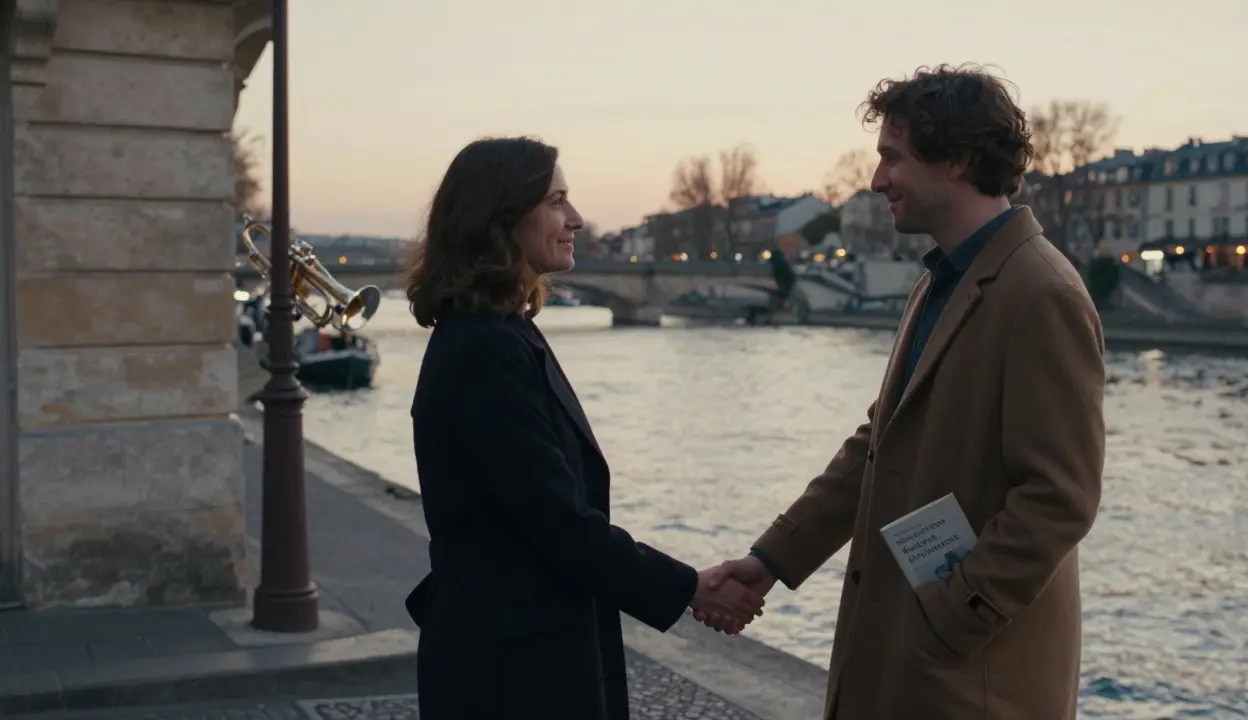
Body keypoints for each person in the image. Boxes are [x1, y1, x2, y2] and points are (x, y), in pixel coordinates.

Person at [699, 64, 1106, 719]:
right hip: (912, 662)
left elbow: (1060, 499)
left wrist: (951, 617)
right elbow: (879, 444)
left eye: (892, 157)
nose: (876, 179)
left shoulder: (1042, 295)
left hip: (972, 678)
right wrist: (772, 558)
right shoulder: (944, 280)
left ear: (959, 160)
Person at [402, 136, 766, 720]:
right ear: (501, 219)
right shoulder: (484, 349)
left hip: (521, 649)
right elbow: (555, 522)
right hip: (513, 671)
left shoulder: (498, 333)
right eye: (557, 201)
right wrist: (689, 587)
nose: (575, 219)